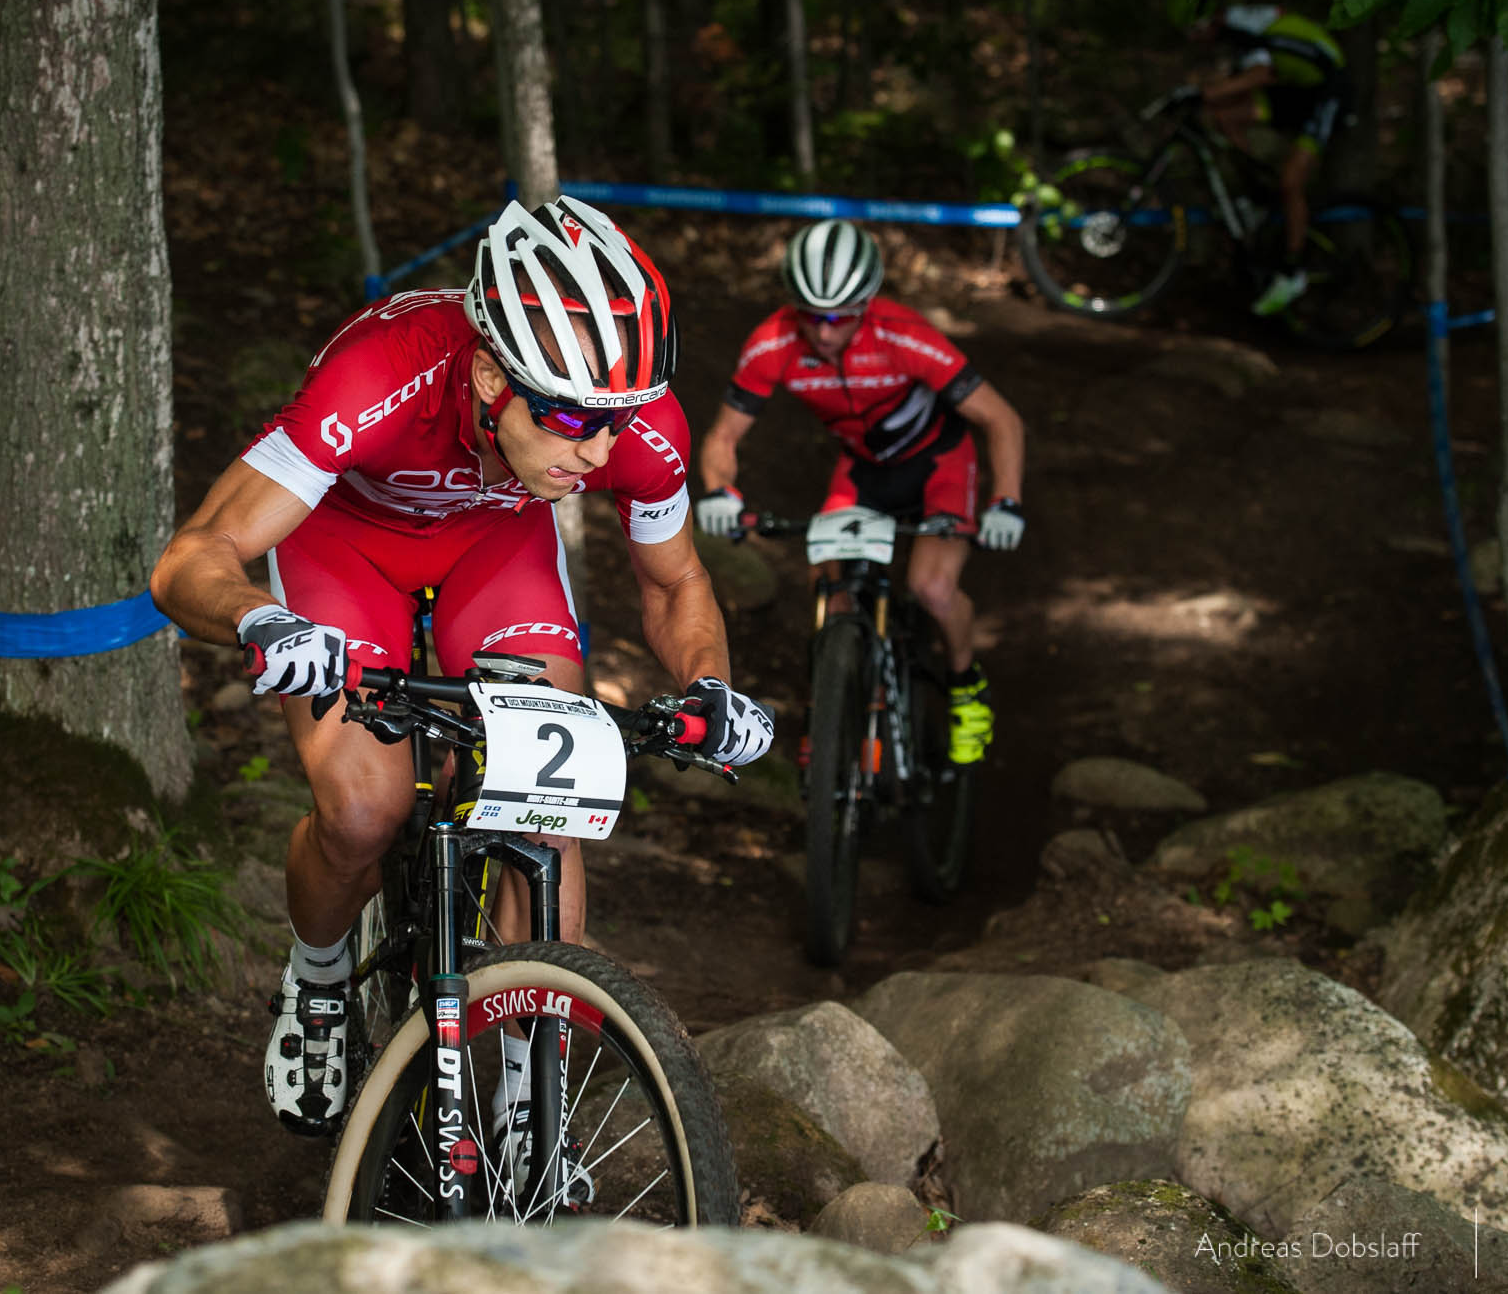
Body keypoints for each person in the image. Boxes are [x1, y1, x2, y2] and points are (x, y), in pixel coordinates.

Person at [148, 196, 774, 1150]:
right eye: (568, 416)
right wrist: (259, 620)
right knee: (364, 809)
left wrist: (710, 689)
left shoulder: (634, 427)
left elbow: (676, 579)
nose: (598, 449)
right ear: (488, 374)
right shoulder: (380, 372)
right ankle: (320, 974)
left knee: (544, 811)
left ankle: (534, 1073)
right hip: (346, 546)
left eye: (616, 417)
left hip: (496, 546)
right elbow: (193, 554)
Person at [692, 218, 1024, 767]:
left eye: (840, 318)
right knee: (828, 586)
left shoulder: (905, 334)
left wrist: (1006, 500)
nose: (823, 333)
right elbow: (724, 435)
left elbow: (1003, 420)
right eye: (811, 316)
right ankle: (828, 707)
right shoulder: (773, 341)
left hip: (939, 465)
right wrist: (719, 491)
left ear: (867, 304)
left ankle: (967, 686)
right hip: (865, 471)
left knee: (932, 589)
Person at [1188, 3, 1349, 316]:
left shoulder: (1241, 29)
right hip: (1295, 88)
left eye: (1195, 31)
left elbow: (1261, 74)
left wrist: (1206, 93)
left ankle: (1293, 271)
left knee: (1291, 182)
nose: (1196, 39)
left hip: (1328, 91)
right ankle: (1257, 195)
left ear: (1210, 23)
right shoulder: (1243, 19)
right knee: (1225, 119)